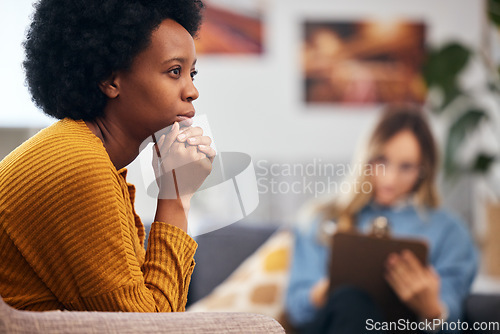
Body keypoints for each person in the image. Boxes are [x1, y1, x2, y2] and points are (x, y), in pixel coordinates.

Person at [0, 0, 216, 312]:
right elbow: (148, 329)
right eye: (174, 71)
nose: (192, 91)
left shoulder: (83, 154)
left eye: (192, 74)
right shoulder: (77, 166)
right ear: (110, 80)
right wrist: (175, 197)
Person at [285, 105, 478, 333]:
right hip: (337, 323)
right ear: (365, 159)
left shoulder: (450, 231)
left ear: (424, 170)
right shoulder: (321, 218)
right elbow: (297, 310)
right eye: (381, 161)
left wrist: (433, 311)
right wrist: (333, 285)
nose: (390, 178)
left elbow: (453, 317)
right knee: (351, 301)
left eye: (406, 167)